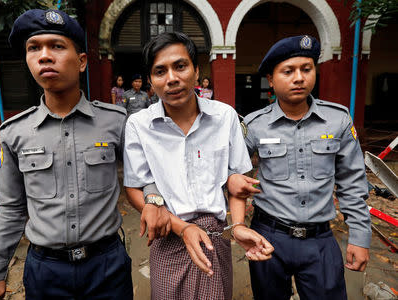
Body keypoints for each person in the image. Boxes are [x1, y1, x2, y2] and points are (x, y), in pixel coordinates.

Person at [0, 9, 134, 300]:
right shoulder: (14, 132)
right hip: (46, 271)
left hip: (107, 265)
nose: (44, 56)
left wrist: (154, 202)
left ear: (82, 61)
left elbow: (143, 176)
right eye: (34, 48)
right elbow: (11, 209)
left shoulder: (115, 121)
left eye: (57, 46)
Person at [123, 32, 274, 300]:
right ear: (150, 81)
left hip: (214, 236)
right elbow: (134, 187)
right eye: (160, 71)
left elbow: (236, 180)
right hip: (167, 234)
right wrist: (180, 226)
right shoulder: (139, 124)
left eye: (180, 66)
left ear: (196, 71)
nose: (172, 78)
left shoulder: (224, 116)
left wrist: (237, 225)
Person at [227, 35, 371, 300]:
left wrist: (360, 237)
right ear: (271, 79)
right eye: (288, 71)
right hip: (269, 237)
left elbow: (353, 183)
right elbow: (230, 167)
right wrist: (230, 179)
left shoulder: (337, 120)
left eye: (306, 69)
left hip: (320, 240)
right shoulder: (254, 124)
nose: (299, 78)